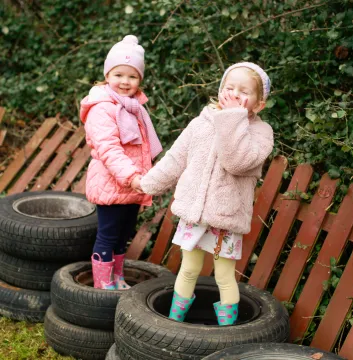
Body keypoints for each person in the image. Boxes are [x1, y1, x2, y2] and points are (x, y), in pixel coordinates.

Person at [140, 62, 273, 325]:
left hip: (226, 217)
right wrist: (147, 185)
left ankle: (228, 331)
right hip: (194, 213)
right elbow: (175, 159)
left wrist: (233, 118)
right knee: (188, 268)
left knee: (224, 275)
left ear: (259, 105)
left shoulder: (260, 133)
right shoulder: (200, 123)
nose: (234, 94)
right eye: (229, 87)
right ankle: (173, 325)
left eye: (243, 91)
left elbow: (236, 161)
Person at [80, 35, 162, 290]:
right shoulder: (102, 107)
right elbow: (109, 149)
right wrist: (132, 177)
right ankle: (103, 285)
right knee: (108, 235)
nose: (125, 82)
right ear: (107, 75)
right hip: (113, 182)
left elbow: (143, 147)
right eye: (118, 75)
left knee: (123, 236)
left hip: (133, 184)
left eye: (132, 76)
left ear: (140, 79)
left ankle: (117, 278)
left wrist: (142, 177)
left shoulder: (134, 107)